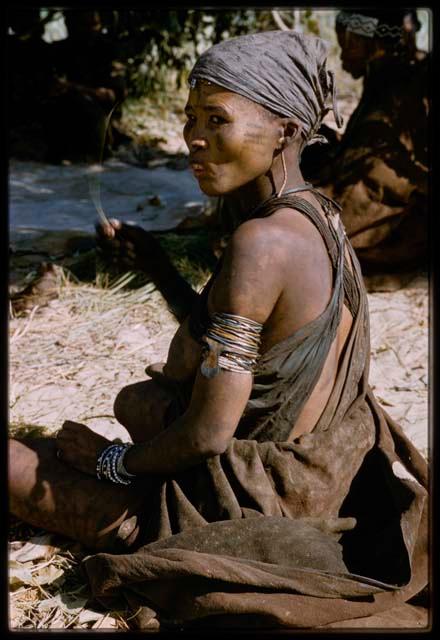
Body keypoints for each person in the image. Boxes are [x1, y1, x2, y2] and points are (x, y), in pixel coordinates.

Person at [9, 30, 428, 629]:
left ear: (285, 129)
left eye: (217, 118)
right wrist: (159, 270)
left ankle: (141, 524)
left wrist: (112, 463)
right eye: (189, 117)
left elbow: (208, 435)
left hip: (258, 502)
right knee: (139, 399)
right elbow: (248, 346)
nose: (193, 139)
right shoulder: (321, 216)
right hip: (325, 477)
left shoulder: (262, 241)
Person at [300, 9, 429, 279]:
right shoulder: (383, 74)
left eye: (346, 44)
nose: (344, 54)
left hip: (391, 197)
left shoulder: (399, 78)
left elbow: (380, 169)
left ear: (363, 40)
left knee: (303, 222)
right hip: (374, 184)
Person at [42, 10, 127, 163]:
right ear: (70, 25)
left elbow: (112, 96)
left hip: (98, 118)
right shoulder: (59, 51)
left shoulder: (109, 51)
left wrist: (76, 88)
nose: (90, 30)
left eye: (94, 24)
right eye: (83, 25)